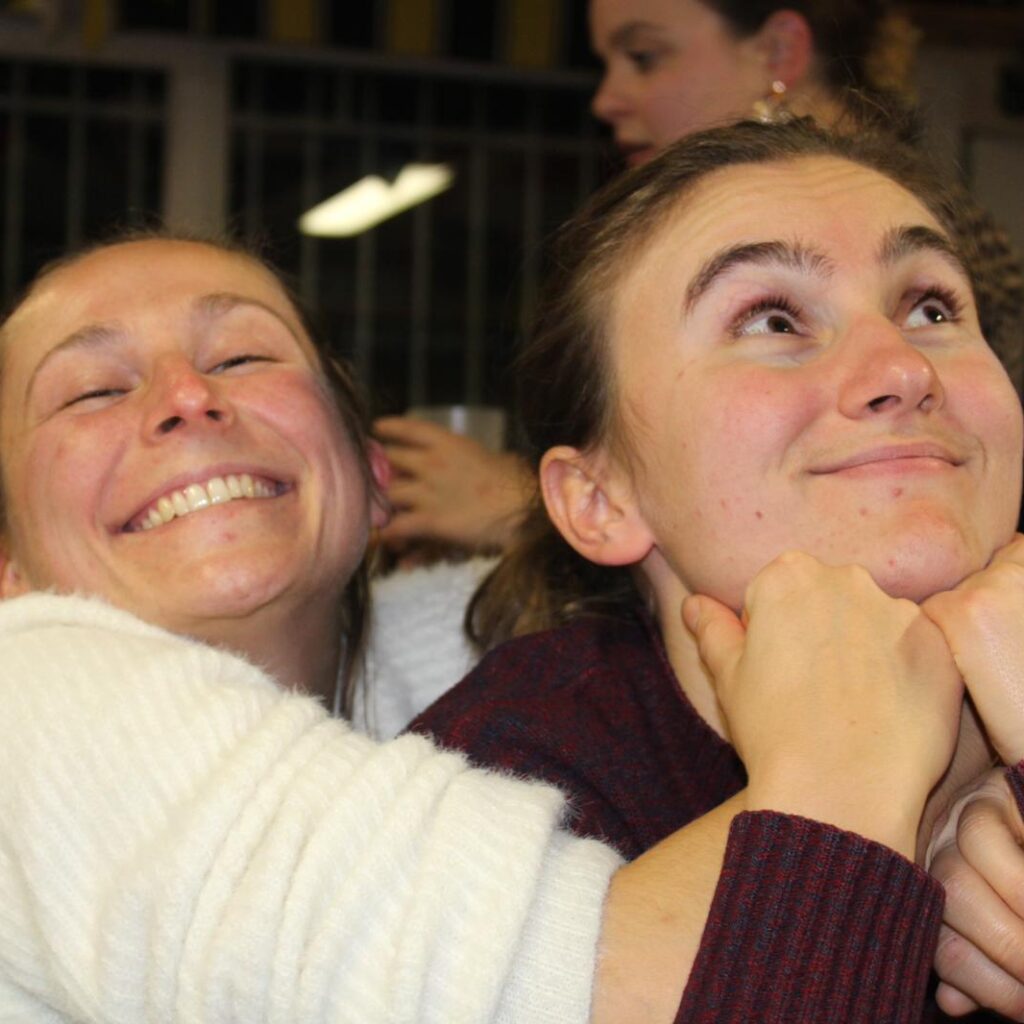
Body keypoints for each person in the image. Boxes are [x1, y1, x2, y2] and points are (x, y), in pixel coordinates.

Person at [0, 228, 951, 1023]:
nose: (186, 397)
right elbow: (579, 990)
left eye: (243, 357)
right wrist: (867, 769)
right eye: (91, 390)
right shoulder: (29, 700)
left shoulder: (488, 659)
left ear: (376, 482)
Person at [408, 118, 1024, 1020]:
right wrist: (843, 812)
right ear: (600, 499)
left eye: (931, 307)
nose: (901, 367)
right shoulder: (498, 798)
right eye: (772, 319)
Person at [374, 0, 1024, 557]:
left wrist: (512, 505)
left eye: (646, 56)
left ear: (777, 51)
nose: (607, 97)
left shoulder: (956, 241)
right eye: (775, 320)